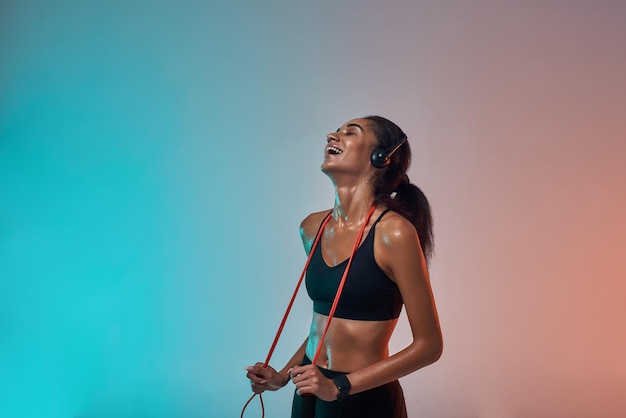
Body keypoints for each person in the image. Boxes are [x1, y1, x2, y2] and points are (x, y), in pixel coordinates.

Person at [245, 116, 443, 417]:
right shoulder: (312, 227)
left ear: (380, 158)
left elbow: (429, 346)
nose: (331, 136)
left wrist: (340, 387)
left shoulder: (394, 233)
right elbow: (324, 328)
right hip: (310, 392)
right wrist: (284, 376)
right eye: (336, 131)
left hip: (362, 399)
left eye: (350, 132)